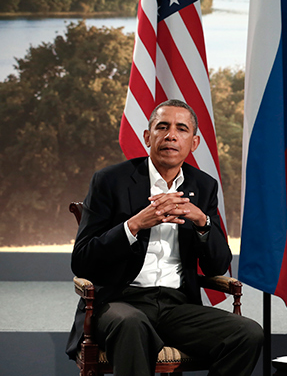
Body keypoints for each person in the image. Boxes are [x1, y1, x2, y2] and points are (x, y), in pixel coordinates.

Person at [65, 99, 263, 376]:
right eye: (162, 126)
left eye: (181, 129)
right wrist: (133, 225)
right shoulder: (110, 181)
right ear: (148, 137)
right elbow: (83, 261)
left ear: (193, 143)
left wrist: (202, 221)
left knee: (248, 333)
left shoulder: (203, 186)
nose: (171, 135)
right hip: (120, 302)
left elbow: (217, 266)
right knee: (132, 323)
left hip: (176, 307)